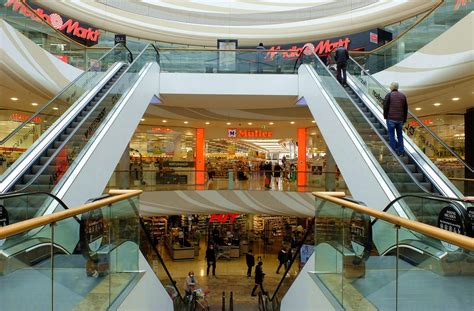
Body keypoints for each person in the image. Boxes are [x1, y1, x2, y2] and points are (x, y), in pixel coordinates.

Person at [383, 82, 408, 156]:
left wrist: (385, 116)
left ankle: (393, 151)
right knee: (400, 135)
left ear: (392, 87)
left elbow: (385, 106)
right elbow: (405, 109)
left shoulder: (389, 95)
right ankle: (401, 151)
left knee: (391, 135)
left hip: (391, 119)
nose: (390, 86)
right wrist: (404, 120)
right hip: (400, 120)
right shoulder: (403, 96)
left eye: (390, 85)